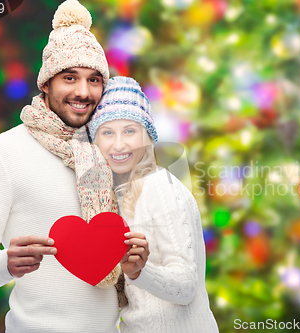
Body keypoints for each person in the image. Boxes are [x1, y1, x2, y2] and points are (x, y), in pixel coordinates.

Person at [0, 1, 147, 332]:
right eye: (70, 77)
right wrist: (4, 263)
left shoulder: (107, 152)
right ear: (46, 83)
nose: (82, 92)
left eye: (94, 80)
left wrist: (140, 260)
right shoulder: (1, 151)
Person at [88, 76, 219, 332]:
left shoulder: (159, 186)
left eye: (129, 130)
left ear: (146, 136)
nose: (118, 144)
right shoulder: (115, 198)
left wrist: (139, 273)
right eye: (107, 132)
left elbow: (186, 285)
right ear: (95, 140)